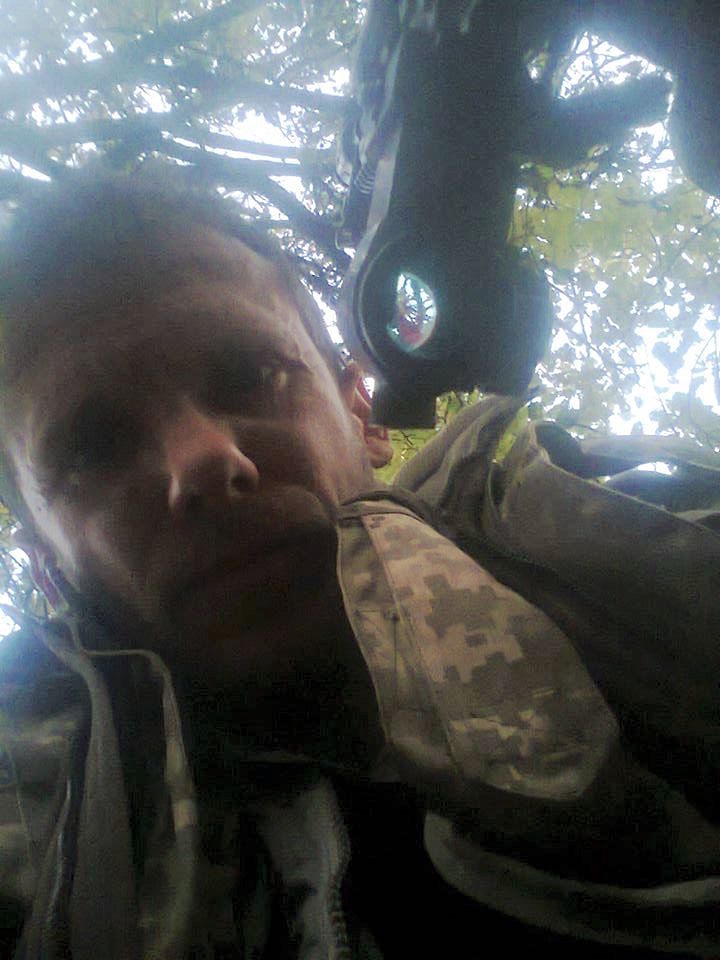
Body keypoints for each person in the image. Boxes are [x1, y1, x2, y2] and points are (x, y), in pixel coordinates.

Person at [0, 173, 719, 960]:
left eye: (250, 375)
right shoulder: (27, 824)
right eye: (93, 448)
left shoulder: (622, 551)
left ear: (361, 413)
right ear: (47, 566)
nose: (203, 459)